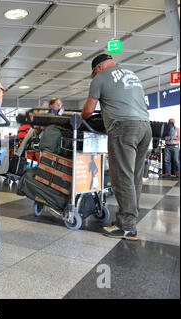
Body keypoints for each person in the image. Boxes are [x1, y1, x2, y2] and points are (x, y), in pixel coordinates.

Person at [81, 53, 151, 241]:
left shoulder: (100, 77)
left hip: (124, 128)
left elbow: (88, 110)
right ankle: (130, 222)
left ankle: (127, 226)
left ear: (98, 68)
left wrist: (84, 118)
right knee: (134, 177)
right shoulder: (132, 74)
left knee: (122, 177)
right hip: (145, 127)